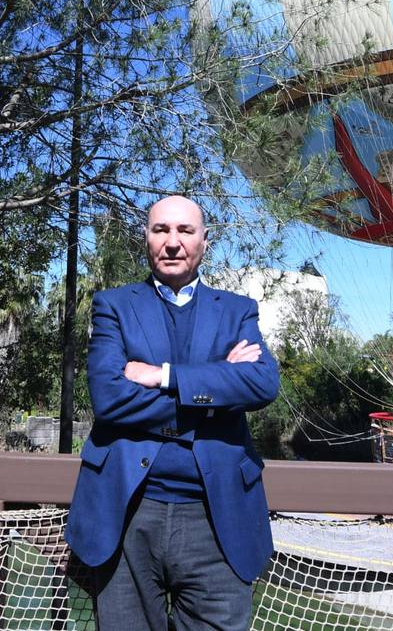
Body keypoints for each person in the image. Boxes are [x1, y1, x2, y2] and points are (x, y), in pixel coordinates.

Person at [66, 195, 280, 631]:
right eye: (161, 229)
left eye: (185, 231)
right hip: (127, 513)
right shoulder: (114, 306)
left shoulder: (237, 310)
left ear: (205, 240)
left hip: (217, 516)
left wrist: (164, 376)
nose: (172, 242)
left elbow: (261, 383)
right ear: (145, 237)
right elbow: (109, 399)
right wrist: (218, 384)